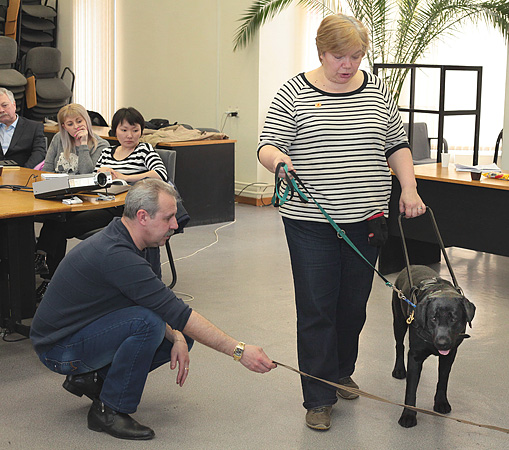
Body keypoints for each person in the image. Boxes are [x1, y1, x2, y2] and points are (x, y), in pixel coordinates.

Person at [257, 14, 425, 431]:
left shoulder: (378, 93)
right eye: (339, 56)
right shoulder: (294, 91)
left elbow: (396, 146)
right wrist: (280, 161)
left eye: (356, 56)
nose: (348, 65)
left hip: (367, 220)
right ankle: (317, 395)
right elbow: (267, 145)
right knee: (316, 306)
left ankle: (339, 370)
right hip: (310, 222)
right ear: (321, 52)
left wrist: (409, 188)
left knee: (352, 305)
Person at [30, 179, 276, 441]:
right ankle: (108, 410)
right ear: (143, 216)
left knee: (180, 333)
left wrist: (179, 336)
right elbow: (174, 312)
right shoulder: (117, 254)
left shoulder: (143, 243)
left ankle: (91, 378)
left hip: (84, 330)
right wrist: (239, 351)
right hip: (58, 349)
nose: (175, 224)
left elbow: (161, 302)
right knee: (149, 324)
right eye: (169, 217)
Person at [32, 107, 167, 300]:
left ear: (141, 130)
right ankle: (46, 271)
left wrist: (124, 176)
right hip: (100, 201)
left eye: (135, 130)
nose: (130, 135)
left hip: (122, 209)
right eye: (124, 130)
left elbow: (160, 175)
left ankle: (47, 271)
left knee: (60, 226)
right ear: (115, 131)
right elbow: (93, 178)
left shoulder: (144, 150)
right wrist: (101, 174)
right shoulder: (109, 152)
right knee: (57, 217)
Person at [34, 104, 111, 280]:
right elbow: (47, 170)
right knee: (57, 217)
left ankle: (42, 258)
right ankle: (49, 272)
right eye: (70, 123)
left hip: (85, 199)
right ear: (63, 126)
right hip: (58, 195)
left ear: (87, 120)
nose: (76, 126)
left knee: (57, 220)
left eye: (79, 121)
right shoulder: (58, 140)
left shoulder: (101, 145)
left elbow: (88, 176)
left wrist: (83, 145)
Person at [0, 87, 46, 168]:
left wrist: (25, 171)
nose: (1, 110)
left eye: (4, 105)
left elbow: (39, 153)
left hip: (23, 174)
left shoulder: (34, 127)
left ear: (14, 105)